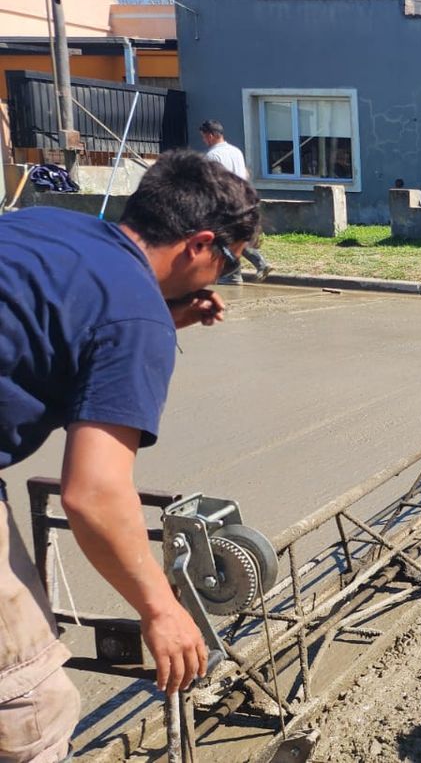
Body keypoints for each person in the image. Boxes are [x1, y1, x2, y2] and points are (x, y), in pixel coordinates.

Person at [0, 149, 259, 762]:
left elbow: (57, 322)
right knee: (29, 704)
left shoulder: (48, 225)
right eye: (226, 266)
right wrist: (159, 609)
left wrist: (158, 316)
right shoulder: (133, 316)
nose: (220, 281)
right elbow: (92, 495)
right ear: (199, 244)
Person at [199, 119, 272, 284]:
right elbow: (244, 174)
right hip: (242, 198)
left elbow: (213, 182)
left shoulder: (212, 155)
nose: (204, 140)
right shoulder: (235, 151)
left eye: (204, 137)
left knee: (222, 238)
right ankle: (260, 263)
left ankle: (232, 275)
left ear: (210, 136)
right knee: (237, 236)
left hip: (224, 202)